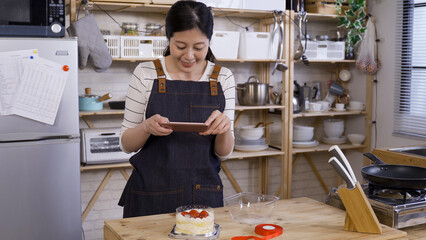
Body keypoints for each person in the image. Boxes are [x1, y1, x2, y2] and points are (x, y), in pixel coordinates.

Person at [118, 0, 235, 218]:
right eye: (180, 46)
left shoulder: (223, 77)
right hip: (149, 197)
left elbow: (224, 152)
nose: (189, 56)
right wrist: (146, 127)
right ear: (168, 38)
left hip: (203, 198)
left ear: (209, 41)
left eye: (199, 47)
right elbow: (126, 144)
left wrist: (224, 128)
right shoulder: (145, 73)